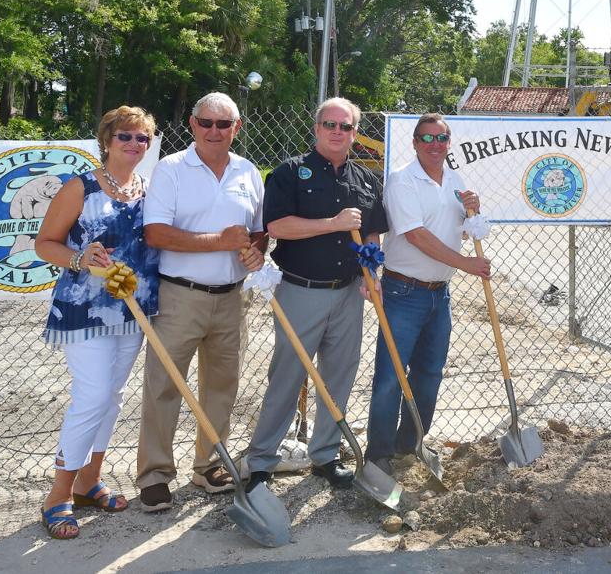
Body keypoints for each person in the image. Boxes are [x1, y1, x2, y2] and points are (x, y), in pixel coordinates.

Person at [245, 98, 388, 492]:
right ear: (317, 128)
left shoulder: (364, 179)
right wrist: (334, 223)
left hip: (347, 294)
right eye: (330, 124)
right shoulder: (290, 172)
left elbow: (373, 231)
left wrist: (370, 270)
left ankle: (325, 454)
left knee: (339, 376)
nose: (337, 132)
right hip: (299, 289)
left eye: (346, 127)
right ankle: (260, 461)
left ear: (355, 133)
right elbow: (278, 226)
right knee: (287, 376)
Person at [35, 106, 160, 539]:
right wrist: (79, 259)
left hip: (133, 308)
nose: (134, 145)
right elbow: (44, 244)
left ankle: (90, 482)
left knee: (113, 397)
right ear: (106, 140)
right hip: (83, 308)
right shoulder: (80, 187)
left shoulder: (148, 189)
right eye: (125, 136)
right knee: (91, 396)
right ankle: (58, 494)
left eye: (142, 138)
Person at [136, 92, 265, 511]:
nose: (214, 131)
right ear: (192, 125)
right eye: (206, 123)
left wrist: (257, 250)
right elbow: (155, 233)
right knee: (164, 386)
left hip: (231, 298)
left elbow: (259, 231)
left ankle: (209, 464)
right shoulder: (171, 169)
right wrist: (220, 242)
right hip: (180, 296)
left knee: (222, 387)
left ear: (236, 128)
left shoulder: (248, 172)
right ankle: (155, 475)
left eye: (223, 125)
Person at [366, 113, 490, 475]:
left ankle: (411, 443)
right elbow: (416, 235)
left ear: (449, 143)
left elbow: (461, 232)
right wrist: (465, 264)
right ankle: (379, 453)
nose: (435, 145)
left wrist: (473, 212)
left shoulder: (455, 180)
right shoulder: (403, 180)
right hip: (403, 291)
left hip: (440, 294)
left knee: (429, 373)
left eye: (441, 138)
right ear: (415, 143)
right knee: (391, 376)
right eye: (427, 138)